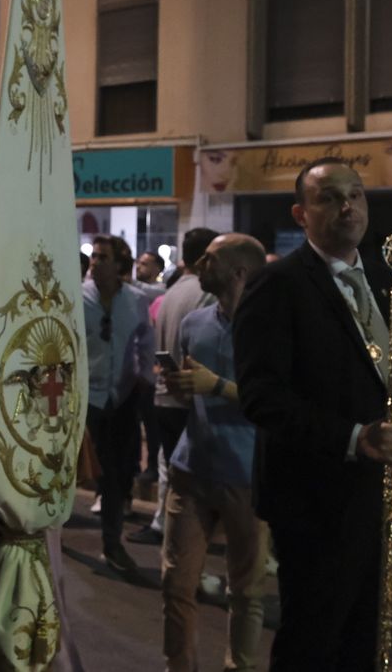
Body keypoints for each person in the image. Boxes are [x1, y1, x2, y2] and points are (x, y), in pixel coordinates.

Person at [235, 157, 392, 671]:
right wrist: (354, 437)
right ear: (301, 214)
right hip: (319, 501)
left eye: (355, 194)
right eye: (329, 197)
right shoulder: (279, 284)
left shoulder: (390, 284)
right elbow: (262, 396)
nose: (346, 207)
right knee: (313, 644)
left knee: (371, 644)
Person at [159, 233, 270, 672]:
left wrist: (217, 386)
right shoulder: (194, 323)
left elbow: (277, 401)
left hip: (248, 474)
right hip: (192, 468)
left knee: (245, 590)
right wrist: (181, 386)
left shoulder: (271, 328)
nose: (199, 265)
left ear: (239, 271)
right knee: (175, 583)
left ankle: (239, 666)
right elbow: (193, 396)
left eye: (210, 259)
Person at [130, 227, 217, 546]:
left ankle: (163, 524)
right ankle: (183, 536)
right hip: (189, 395)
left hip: (164, 394)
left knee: (169, 466)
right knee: (189, 476)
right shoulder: (205, 294)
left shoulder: (171, 293)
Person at [83, 234, 155, 577]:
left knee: (116, 475)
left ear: (120, 265)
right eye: (94, 256)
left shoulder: (136, 300)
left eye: (103, 257)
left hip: (121, 399)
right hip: (85, 399)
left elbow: (146, 341)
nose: (95, 262)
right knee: (66, 472)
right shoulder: (76, 297)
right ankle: (47, 536)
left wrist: (145, 379)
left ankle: (112, 543)